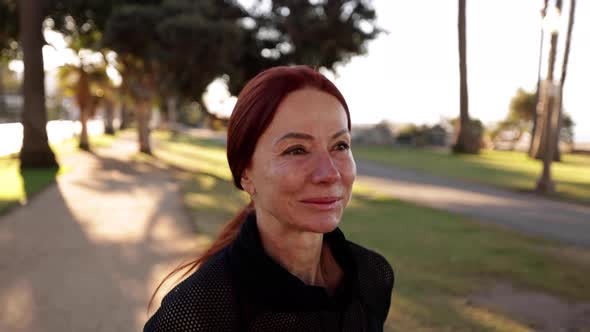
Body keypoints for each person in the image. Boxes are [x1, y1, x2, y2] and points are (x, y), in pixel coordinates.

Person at [144, 65, 394, 331]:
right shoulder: (196, 314)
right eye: (296, 150)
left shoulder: (372, 275)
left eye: (340, 146)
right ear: (246, 174)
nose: (329, 173)